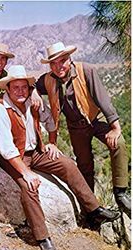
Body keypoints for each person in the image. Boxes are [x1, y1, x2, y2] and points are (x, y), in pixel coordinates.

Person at [0, 65, 120, 250]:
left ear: (29, 88)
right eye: (15, 87)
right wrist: (26, 172)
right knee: (29, 186)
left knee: (67, 164)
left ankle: (94, 210)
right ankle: (42, 237)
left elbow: (51, 121)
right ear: (7, 89)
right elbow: (6, 149)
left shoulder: (31, 103)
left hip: (36, 151)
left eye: (24, 87)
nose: (20, 91)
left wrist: (51, 142)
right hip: (13, 156)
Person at [36, 41, 131, 217]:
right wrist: (34, 92)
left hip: (96, 119)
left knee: (119, 143)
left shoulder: (85, 70)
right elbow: (30, 87)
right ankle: (91, 209)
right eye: (54, 63)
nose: (58, 67)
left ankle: (121, 192)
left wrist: (115, 127)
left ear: (69, 59)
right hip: (75, 128)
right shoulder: (47, 80)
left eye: (62, 61)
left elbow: (103, 99)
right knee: (84, 166)